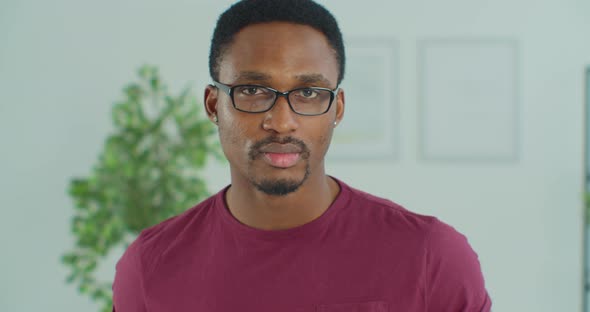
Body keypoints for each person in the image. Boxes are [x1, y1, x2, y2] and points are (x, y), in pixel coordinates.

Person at [112, 0, 492, 311]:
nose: (281, 122)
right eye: (253, 91)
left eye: (309, 93)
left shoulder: (432, 257)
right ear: (214, 104)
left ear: (337, 108)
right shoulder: (150, 267)